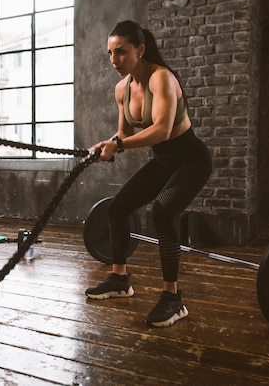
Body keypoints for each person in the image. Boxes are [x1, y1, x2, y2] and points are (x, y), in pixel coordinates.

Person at [85, 20, 212, 328]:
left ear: (140, 50)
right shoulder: (122, 89)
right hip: (164, 162)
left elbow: (162, 130)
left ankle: (173, 299)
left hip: (192, 160)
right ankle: (120, 280)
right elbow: (123, 133)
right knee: (117, 209)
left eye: (122, 53)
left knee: (163, 212)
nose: (114, 60)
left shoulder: (162, 79)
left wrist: (118, 145)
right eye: (110, 53)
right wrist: (106, 149)